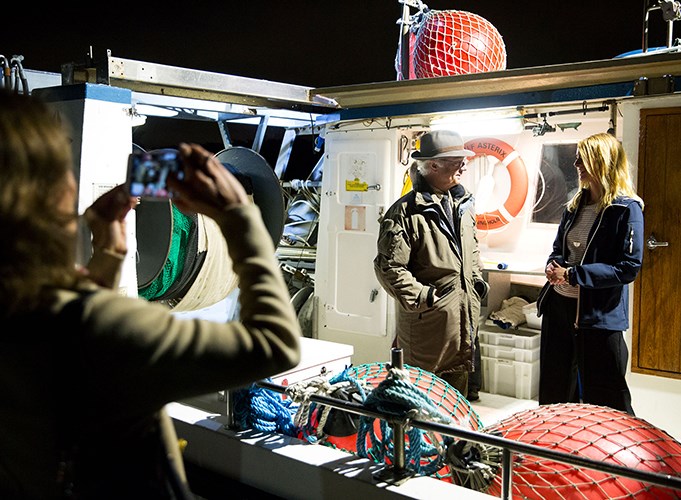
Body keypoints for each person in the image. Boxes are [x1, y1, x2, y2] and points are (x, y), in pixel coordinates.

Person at [0, 90, 301, 499]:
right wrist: (239, 220)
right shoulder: (104, 328)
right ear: (53, 196)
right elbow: (275, 344)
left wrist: (106, 260)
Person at [374, 130, 489, 399]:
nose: (464, 164)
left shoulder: (463, 207)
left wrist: (477, 284)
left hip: (462, 329)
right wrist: (425, 299)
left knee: (455, 409)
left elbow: (471, 252)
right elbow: (389, 268)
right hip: (427, 334)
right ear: (433, 165)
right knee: (422, 407)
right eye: (456, 159)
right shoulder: (404, 212)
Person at [536, 132, 644, 416]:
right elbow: (559, 249)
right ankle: (551, 452)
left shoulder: (626, 209)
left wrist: (574, 274)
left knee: (607, 396)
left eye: (582, 159)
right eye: (576, 158)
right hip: (559, 309)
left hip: (597, 316)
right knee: (554, 391)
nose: (576, 165)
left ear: (601, 162)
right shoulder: (574, 206)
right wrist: (553, 264)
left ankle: (611, 458)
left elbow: (628, 267)